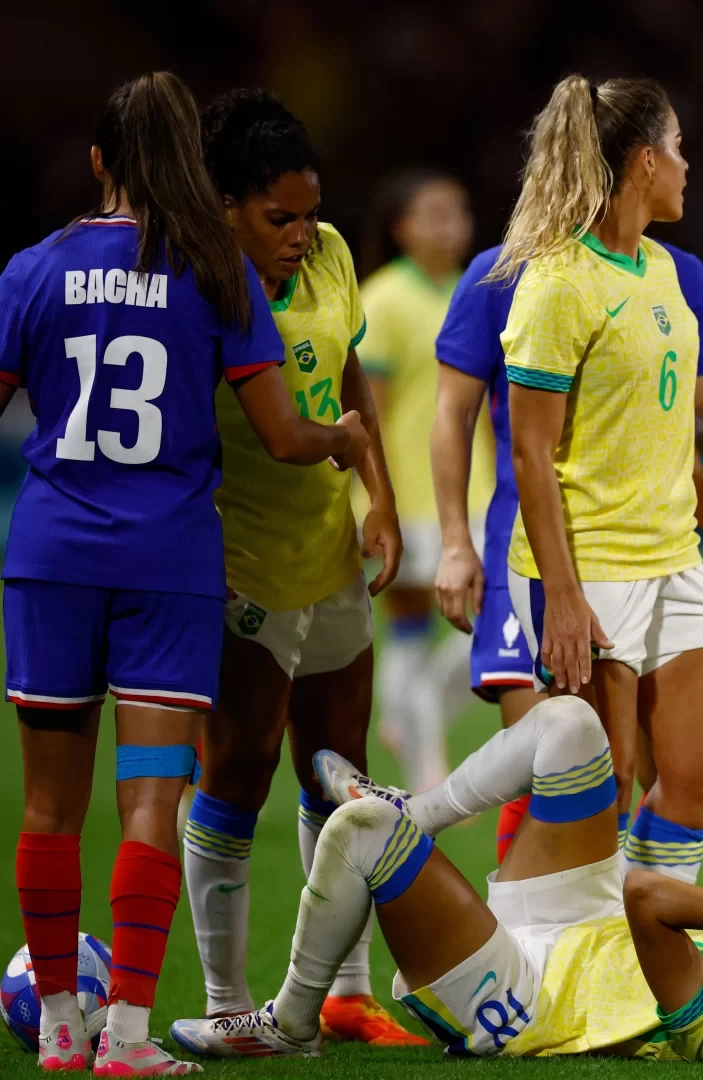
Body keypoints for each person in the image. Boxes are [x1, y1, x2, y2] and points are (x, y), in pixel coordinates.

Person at [3, 72, 366, 1076]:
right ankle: (126, 1040)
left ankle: (58, 1028)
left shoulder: (33, 269)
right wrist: (342, 436)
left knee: (47, 811)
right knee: (153, 800)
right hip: (168, 563)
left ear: (97, 163)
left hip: (52, 561)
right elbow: (285, 436)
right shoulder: (216, 275)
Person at [166, 699, 703, 1061]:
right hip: (586, 924)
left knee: (360, 835)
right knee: (572, 722)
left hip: (527, 993)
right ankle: (416, 809)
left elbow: (648, 896)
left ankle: (291, 1021)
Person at [182, 88, 423, 1047]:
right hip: (241, 560)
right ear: (227, 206)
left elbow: (352, 375)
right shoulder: (199, 287)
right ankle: (223, 1002)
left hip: (328, 555)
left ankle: (346, 993)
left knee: (339, 774)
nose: (302, 233)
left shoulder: (328, 259)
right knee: (235, 773)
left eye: (311, 213)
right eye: (279, 217)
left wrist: (382, 498)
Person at [494, 74, 703, 884]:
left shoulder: (661, 272)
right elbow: (527, 455)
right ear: (646, 162)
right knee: (600, 785)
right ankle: (525, 957)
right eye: (679, 149)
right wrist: (564, 594)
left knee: (701, 768)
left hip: (672, 551)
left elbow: (666, 429)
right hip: (591, 560)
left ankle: (643, 952)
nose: (689, 166)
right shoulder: (556, 281)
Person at [433, 237, 703, 864]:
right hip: (537, 549)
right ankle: (528, 945)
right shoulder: (504, 274)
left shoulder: (680, 272)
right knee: (565, 770)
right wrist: (456, 541)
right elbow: (453, 413)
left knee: (665, 772)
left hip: (656, 546)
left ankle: (631, 940)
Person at [355, 169, 482, 793]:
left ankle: (411, 719)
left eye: (457, 211)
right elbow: (366, 411)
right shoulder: (382, 299)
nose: (450, 225)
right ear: (401, 227)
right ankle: (428, 767)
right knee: (435, 622)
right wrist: (378, 499)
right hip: (409, 496)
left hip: (473, 490)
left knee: (455, 630)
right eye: (433, 214)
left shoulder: (477, 291)